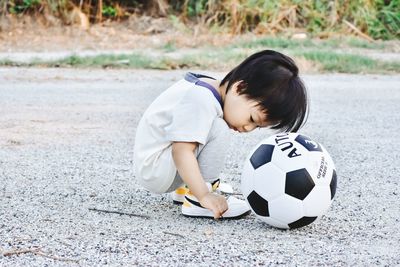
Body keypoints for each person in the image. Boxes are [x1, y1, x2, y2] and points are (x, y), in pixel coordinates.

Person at [133, 50, 308, 219]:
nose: (248, 128)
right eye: (252, 118)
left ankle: (186, 189)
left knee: (208, 126)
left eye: (257, 127)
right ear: (240, 87)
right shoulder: (200, 99)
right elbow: (181, 151)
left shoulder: (208, 88)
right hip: (156, 170)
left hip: (158, 164)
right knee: (218, 127)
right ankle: (198, 199)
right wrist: (203, 195)